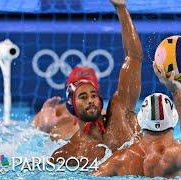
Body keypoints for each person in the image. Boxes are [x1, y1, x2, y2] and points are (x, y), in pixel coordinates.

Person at [50, 0, 143, 165]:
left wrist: (121, 8)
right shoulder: (69, 152)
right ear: (71, 106)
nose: (90, 100)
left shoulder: (120, 113)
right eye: (83, 97)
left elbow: (134, 57)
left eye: (93, 95)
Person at [91, 64, 181, 177]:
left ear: (140, 120)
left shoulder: (119, 159)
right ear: (174, 119)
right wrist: (177, 92)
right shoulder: (174, 154)